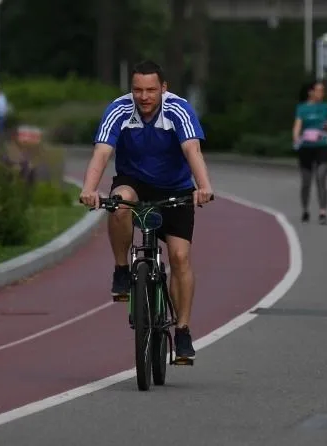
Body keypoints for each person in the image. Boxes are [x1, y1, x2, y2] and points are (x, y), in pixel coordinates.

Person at [78, 60, 215, 363]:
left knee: (179, 257)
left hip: (175, 188)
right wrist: (89, 189)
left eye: (151, 90)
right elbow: (102, 152)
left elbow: (192, 150)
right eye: (138, 90)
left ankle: (182, 332)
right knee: (118, 202)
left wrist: (203, 187)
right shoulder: (119, 109)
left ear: (163, 89)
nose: (144, 97)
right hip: (134, 182)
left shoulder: (179, 110)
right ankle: (122, 270)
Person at [292, 80, 327, 224]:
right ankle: (305, 209)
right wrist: (296, 139)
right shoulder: (302, 108)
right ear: (311, 92)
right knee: (306, 181)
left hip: (321, 145)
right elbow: (297, 126)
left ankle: (323, 212)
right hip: (306, 147)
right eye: (319, 90)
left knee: (321, 177)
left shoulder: (325, 107)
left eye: (323, 90)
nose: (321, 93)